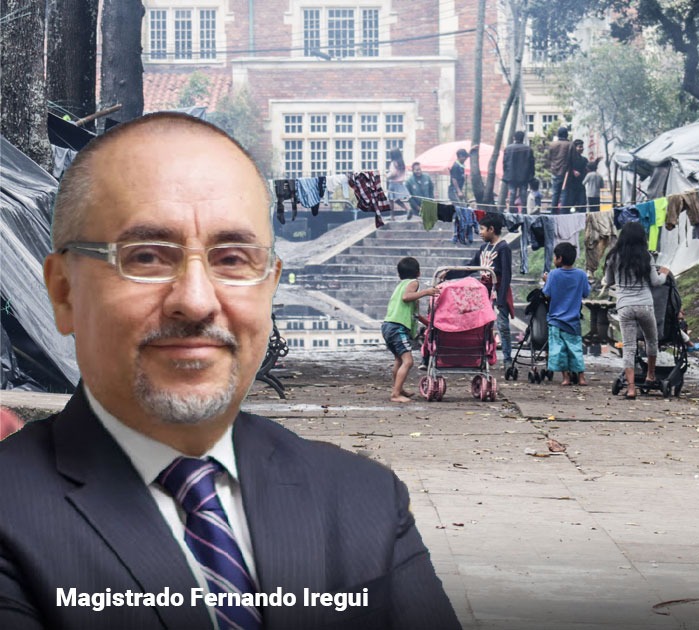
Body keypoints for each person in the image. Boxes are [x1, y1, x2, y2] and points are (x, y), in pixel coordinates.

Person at [0, 112, 461, 629]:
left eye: (233, 259)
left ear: (270, 286)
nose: (196, 302)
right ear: (63, 291)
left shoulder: (364, 502)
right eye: (148, 257)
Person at [603, 223, 670, 400]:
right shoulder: (646, 257)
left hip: (625, 306)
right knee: (651, 341)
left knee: (629, 347)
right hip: (645, 305)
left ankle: (631, 388)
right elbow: (656, 282)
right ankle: (650, 375)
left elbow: (608, 281)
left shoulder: (614, 257)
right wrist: (664, 273)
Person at [457, 213, 514, 366]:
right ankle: (483, 356)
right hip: (484, 291)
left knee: (503, 326)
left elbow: (507, 275)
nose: (480, 232)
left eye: (482, 229)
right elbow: (471, 267)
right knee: (482, 325)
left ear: (491, 229)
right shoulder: (483, 247)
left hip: (498, 290)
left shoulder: (503, 248)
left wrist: (501, 299)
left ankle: (507, 360)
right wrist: (450, 274)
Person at [383, 257, 438, 403]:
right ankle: (395, 394)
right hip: (397, 327)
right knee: (408, 362)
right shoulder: (413, 283)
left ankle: (398, 389)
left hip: (388, 325)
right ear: (418, 273)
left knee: (398, 360)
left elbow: (415, 314)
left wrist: (429, 324)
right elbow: (406, 297)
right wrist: (426, 292)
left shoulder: (401, 285)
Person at [542, 242, 591, 386]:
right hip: (573, 321)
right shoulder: (581, 275)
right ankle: (581, 378)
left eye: (555, 257)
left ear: (560, 258)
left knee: (560, 350)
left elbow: (547, 294)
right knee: (575, 348)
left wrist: (546, 281)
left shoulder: (554, 274)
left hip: (556, 320)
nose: (554, 260)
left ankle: (566, 378)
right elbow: (586, 293)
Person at [502, 130, 535, 213]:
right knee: (523, 193)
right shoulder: (528, 149)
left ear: (514, 138)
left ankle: (511, 210)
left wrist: (506, 173)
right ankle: (524, 210)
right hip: (524, 176)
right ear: (523, 138)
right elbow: (531, 164)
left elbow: (505, 163)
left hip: (511, 175)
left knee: (512, 193)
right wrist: (531, 176)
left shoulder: (508, 148)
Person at [543, 126, 572, 213]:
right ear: (566, 134)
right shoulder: (570, 144)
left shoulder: (552, 144)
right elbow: (573, 159)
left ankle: (553, 212)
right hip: (566, 173)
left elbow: (549, 158)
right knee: (564, 194)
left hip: (554, 171)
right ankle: (563, 212)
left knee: (555, 193)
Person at [563, 140, 589, 212]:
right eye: (580, 147)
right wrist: (573, 171)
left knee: (582, 204)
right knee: (570, 204)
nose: (581, 149)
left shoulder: (584, 160)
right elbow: (566, 169)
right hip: (571, 185)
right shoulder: (569, 159)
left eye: (582, 147)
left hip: (581, 185)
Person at [386, 148, 411, 218]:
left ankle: (392, 216)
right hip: (400, 183)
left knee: (391, 200)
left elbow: (393, 173)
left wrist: (387, 176)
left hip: (393, 184)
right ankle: (407, 209)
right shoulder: (402, 163)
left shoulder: (393, 163)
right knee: (396, 199)